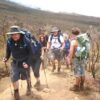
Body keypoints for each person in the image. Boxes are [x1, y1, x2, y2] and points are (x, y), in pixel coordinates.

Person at [3, 26, 32, 100]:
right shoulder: (9, 41)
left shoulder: (26, 41)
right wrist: (6, 57)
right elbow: (8, 51)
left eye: (16, 34)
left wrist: (27, 63)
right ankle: (16, 92)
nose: (14, 36)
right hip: (15, 62)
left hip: (25, 62)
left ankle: (29, 86)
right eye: (12, 34)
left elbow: (31, 53)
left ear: (19, 34)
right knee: (14, 77)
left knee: (27, 76)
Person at [68, 27, 85, 91]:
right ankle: (82, 85)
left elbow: (71, 52)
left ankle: (77, 87)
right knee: (82, 72)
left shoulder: (74, 41)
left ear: (73, 34)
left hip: (76, 59)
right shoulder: (83, 40)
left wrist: (69, 60)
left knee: (77, 73)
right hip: (83, 58)